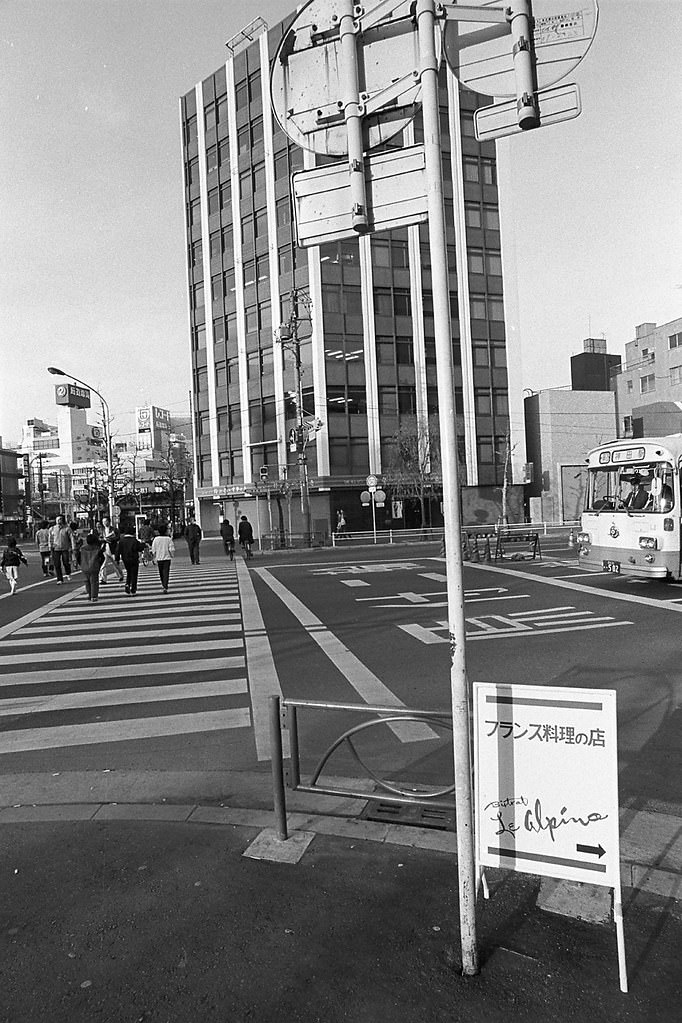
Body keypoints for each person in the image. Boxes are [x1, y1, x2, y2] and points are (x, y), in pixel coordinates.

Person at [117, 524, 147, 596]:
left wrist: (117, 559)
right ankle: (133, 589)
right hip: (133, 559)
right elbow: (139, 548)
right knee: (134, 574)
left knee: (129, 572)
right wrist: (143, 545)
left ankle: (127, 584)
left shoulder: (121, 541)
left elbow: (118, 550)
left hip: (125, 559)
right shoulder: (134, 540)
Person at [49, 515, 76, 583]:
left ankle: (68, 573)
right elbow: (50, 539)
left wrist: (73, 547)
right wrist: (50, 546)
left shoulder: (67, 528)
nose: (59, 521)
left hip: (65, 548)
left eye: (60, 519)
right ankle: (59, 579)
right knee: (57, 564)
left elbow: (72, 538)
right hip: (56, 548)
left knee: (66, 562)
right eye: (57, 519)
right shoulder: (52, 529)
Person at [79, 532, 105, 602]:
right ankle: (94, 596)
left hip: (85, 567)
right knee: (94, 582)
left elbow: (78, 557)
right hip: (94, 567)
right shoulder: (97, 549)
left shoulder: (82, 548)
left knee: (87, 582)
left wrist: (81, 564)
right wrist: (99, 564)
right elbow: (102, 558)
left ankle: (89, 595)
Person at [151, 522, 175, 593]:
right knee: (166, 572)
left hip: (159, 558)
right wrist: (172, 555)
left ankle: (163, 584)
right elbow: (171, 549)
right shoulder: (168, 539)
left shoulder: (156, 539)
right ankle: (165, 585)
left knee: (161, 572)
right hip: (167, 558)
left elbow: (153, 549)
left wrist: (154, 556)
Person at [98, 517, 123, 584]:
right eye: (103, 522)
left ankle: (120, 575)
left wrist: (111, 539)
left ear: (109, 521)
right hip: (104, 548)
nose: (104, 523)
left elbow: (118, 538)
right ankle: (103, 579)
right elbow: (99, 539)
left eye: (105, 521)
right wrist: (104, 539)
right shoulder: (101, 530)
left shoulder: (114, 529)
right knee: (103, 564)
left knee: (115, 563)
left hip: (112, 548)